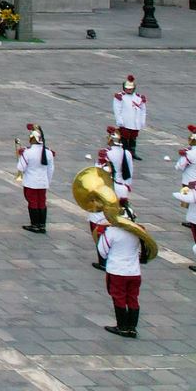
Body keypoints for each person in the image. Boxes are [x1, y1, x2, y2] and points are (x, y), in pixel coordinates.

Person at [97, 204, 147, 337]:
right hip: (134, 272)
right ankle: (132, 327)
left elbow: (102, 252)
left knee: (118, 298)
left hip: (117, 270)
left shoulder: (111, 232)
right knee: (133, 298)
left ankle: (122, 326)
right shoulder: (139, 232)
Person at [16, 124, 54, 234]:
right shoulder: (48, 152)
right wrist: (47, 181)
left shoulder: (28, 152)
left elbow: (20, 168)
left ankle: (34, 225)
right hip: (43, 183)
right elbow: (51, 170)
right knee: (42, 203)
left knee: (32, 203)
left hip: (31, 183)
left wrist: (20, 156)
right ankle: (42, 225)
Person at [112, 75, 146, 155]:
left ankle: (133, 153)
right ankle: (125, 152)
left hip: (135, 121)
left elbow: (143, 110)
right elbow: (117, 109)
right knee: (124, 137)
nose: (129, 90)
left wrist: (142, 121)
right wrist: (119, 120)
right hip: (125, 121)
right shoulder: (120, 96)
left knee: (133, 137)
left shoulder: (138, 97)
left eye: (130, 89)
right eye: (127, 88)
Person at [101, 127, 134, 207]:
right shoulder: (127, 153)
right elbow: (130, 173)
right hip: (123, 188)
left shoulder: (106, 153)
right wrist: (126, 187)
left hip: (109, 188)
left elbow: (99, 171)